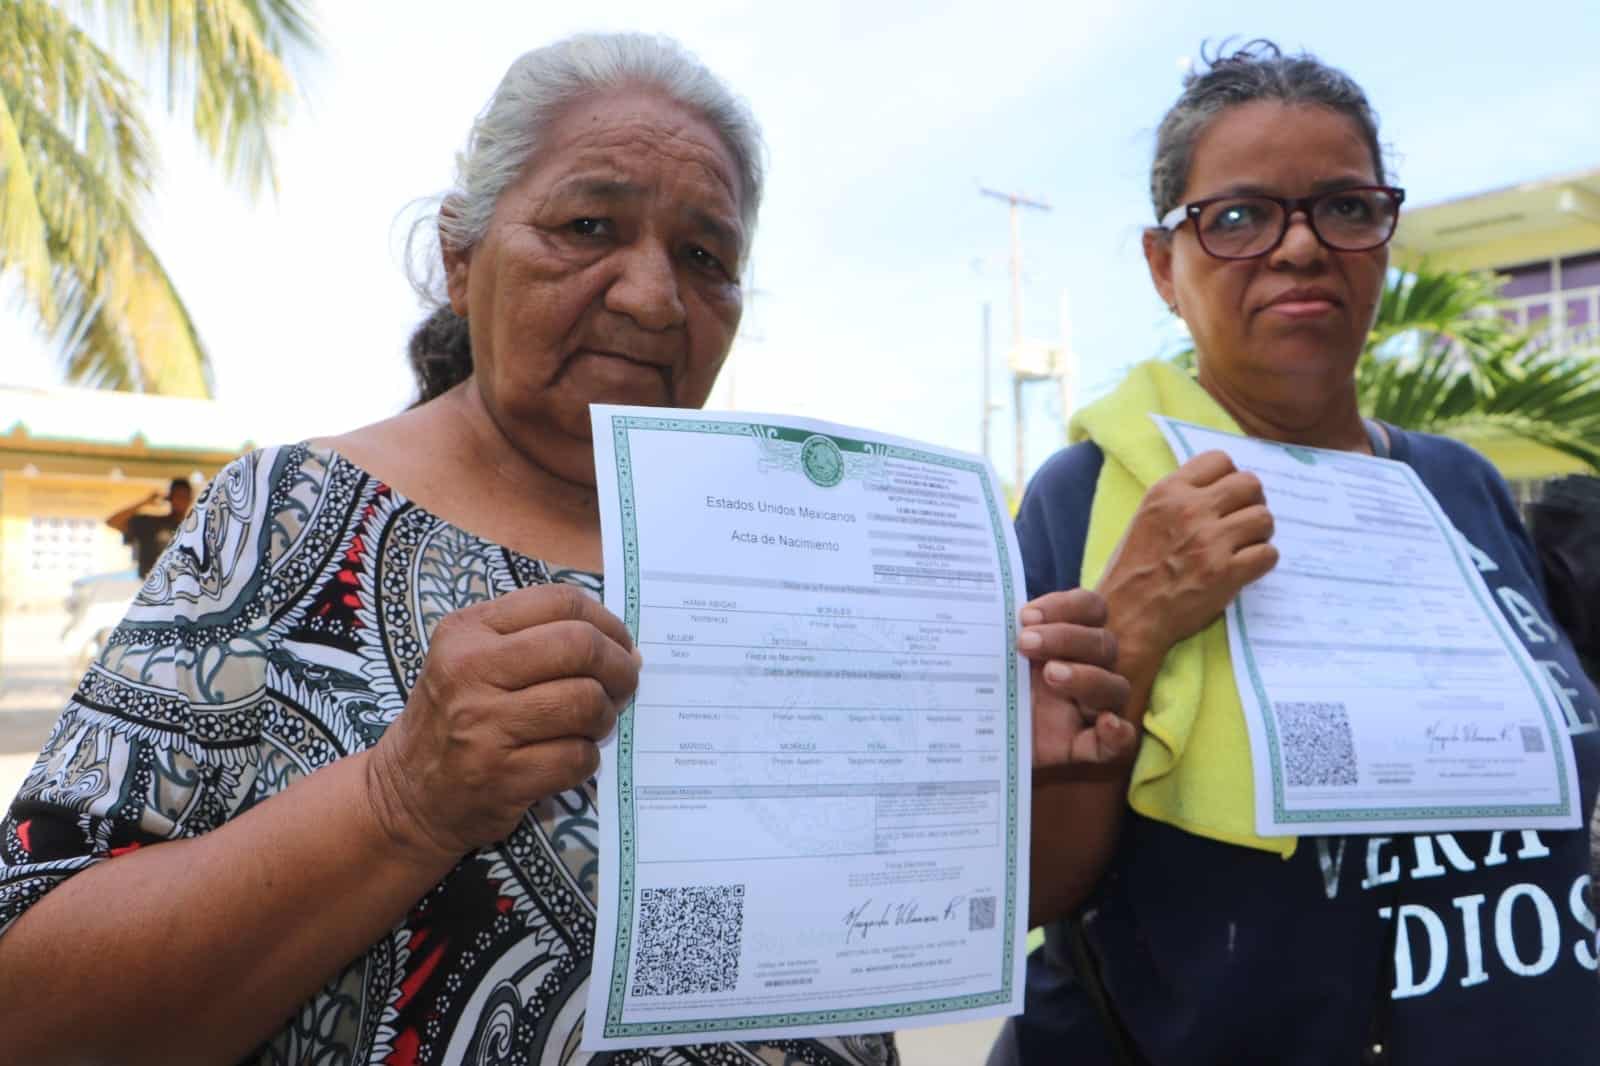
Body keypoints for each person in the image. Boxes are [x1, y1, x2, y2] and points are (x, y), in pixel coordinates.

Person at [0, 33, 1126, 1065]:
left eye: (703, 254)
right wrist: (404, 798)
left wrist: (1035, 770)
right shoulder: (291, 512)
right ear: (460, 255)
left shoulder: (810, 547)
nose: (651, 296)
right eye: (588, 227)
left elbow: (959, 908)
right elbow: (33, 1009)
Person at [995, 40, 1600, 1066]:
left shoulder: (1459, 485)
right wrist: (1136, 628)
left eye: (1346, 207)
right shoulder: (1096, 495)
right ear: (1162, 264)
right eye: (1236, 217)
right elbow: (1021, 884)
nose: (1300, 248)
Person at [105, 477, 194, 577]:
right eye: (177, 496)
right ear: (169, 498)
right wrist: (145, 502)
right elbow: (112, 522)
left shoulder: (195, 531)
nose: (180, 501)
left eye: (184, 496)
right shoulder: (150, 523)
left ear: (190, 499)